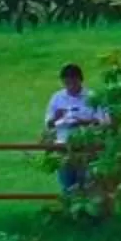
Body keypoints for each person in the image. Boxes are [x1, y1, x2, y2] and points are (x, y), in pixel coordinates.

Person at [45, 62, 105, 199]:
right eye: (66, 83)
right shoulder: (57, 98)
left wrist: (83, 122)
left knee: (88, 182)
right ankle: (71, 212)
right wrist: (56, 118)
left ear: (80, 80)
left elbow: (102, 121)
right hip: (64, 146)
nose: (70, 86)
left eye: (73, 81)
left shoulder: (91, 97)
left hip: (88, 147)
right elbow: (49, 124)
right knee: (67, 183)